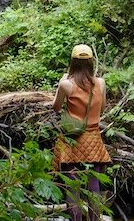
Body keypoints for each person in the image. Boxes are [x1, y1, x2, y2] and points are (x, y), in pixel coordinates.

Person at [52, 44, 112, 221]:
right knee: (94, 186)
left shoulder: (66, 85)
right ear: (91, 62)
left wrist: (62, 82)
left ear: (73, 62)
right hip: (93, 140)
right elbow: (102, 107)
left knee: (72, 187)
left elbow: (55, 108)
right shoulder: (100, 83)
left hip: (72, 139)